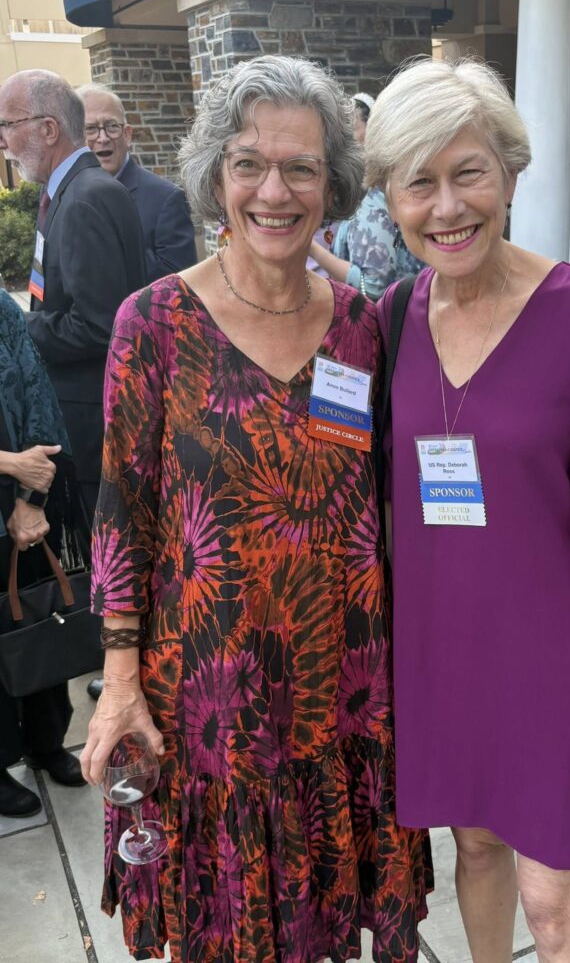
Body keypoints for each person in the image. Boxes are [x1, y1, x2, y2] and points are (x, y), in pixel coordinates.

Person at [80, 55, 432, 963]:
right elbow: (121, 515)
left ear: (333, 184)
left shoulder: (362, 326)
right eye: (249, 164)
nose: (274, 192)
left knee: (321, 932)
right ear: (215, 175)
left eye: (300, 168)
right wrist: (119, 683)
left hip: (341, 687)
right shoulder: (153, 323)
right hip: (211, 698)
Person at [367, 58, 570, 963]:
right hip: (441, 655)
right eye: (418, 182)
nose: (446, 207)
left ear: (508, 174)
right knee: (476, 850)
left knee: (557, 907)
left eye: (468, 173)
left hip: (558, 661)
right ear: (388, 198)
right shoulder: (389, 319)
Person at [0, 70, 146, 520]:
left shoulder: (85, 198)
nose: (3, 141)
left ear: (48, 129)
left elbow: (101, 326)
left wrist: (19, 329)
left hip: (93, 422)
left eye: (8, 125)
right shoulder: (69, 191)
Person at [0, 290, 87, 814]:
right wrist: (7, 462)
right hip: (11, 473)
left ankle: (47, 742)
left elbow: (39, 398)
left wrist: (30, 500)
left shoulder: (2, 309)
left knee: (38, 617)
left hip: (24, 502)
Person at [79, 83, 197, 284]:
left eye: (112, 126)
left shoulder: (166, 199)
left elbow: (180, 284)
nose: (103, 138)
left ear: (127, 134)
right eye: (90, 129)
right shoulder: (63, 193)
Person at [310, 93, 424, 301]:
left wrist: (312, 250)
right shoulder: (364, 192)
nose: (343, 139)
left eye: (351, 128)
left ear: (372, 133)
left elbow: (372, 287)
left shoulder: (373, 198)